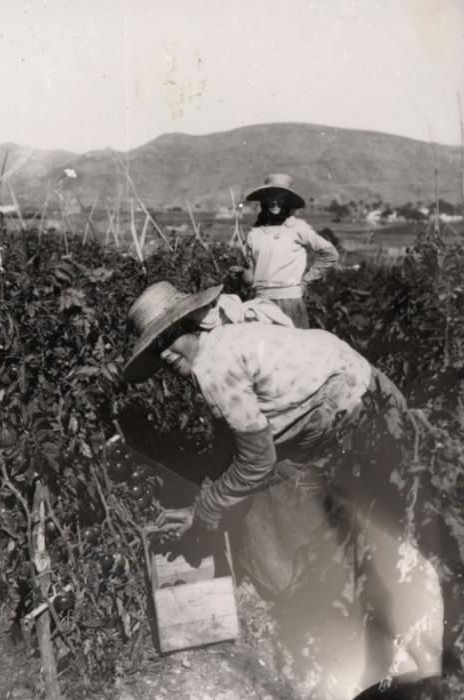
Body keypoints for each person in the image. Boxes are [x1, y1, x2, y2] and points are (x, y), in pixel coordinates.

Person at [123, 280, 444, 699]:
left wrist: (208, 508)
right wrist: (205, 502)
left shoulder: (215, 367)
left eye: (169, 337)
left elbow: (256, 462)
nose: (165, 353)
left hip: (363, 419)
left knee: (362, 541)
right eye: (156, 348)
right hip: (363, 398)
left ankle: (414, 663)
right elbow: (242, 447)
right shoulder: (231, 333)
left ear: (191, 324)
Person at [241, 173, 339, 328]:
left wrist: (306, 280)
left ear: (287, 202)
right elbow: (252, 268)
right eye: (270, 197)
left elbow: (330, 253)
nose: (274, 202)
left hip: (290, 303)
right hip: (260, 304)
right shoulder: (255, 233)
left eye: (280, 197)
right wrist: (248, 275)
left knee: (295, 350)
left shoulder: (298, 228)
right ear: (263, 201)